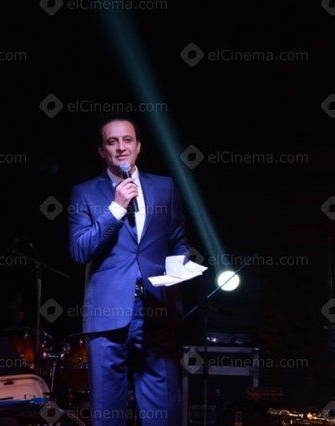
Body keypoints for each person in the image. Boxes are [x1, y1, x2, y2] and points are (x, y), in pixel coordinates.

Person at [68, 117, 189, 425]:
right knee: (108, 416)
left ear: (138, 146)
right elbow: (80, 250)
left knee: (164, 415)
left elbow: (177, 240)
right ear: (102, 151)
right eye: (112, 142)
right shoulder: (84, 193)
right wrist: (117, 208)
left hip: (157, 312)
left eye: (127, 140)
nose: (121, 147)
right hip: (108, 318)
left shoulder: (164, 187)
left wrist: (178, 270)